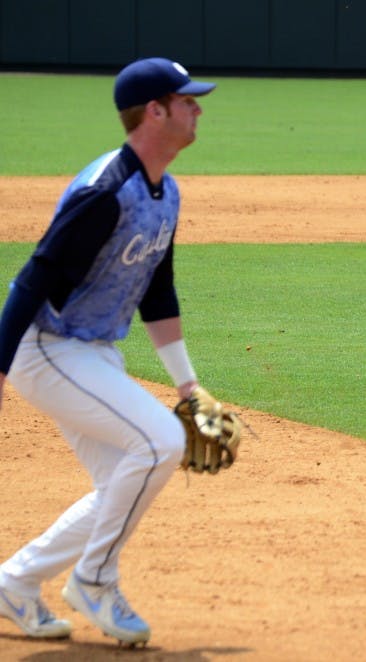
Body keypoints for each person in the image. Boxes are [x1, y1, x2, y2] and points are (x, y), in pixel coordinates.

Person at [0, 57, 215, 646]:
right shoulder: (105, 192)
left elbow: (157, 289)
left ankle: (14, 583)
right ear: (155, 111)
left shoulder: (165, 190)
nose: (198, 108)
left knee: (121, 480)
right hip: (47, 349)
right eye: (187, 100)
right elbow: (32, 279)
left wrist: (187, 384)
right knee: (158, 443)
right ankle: (94, 578)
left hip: (93, 354)